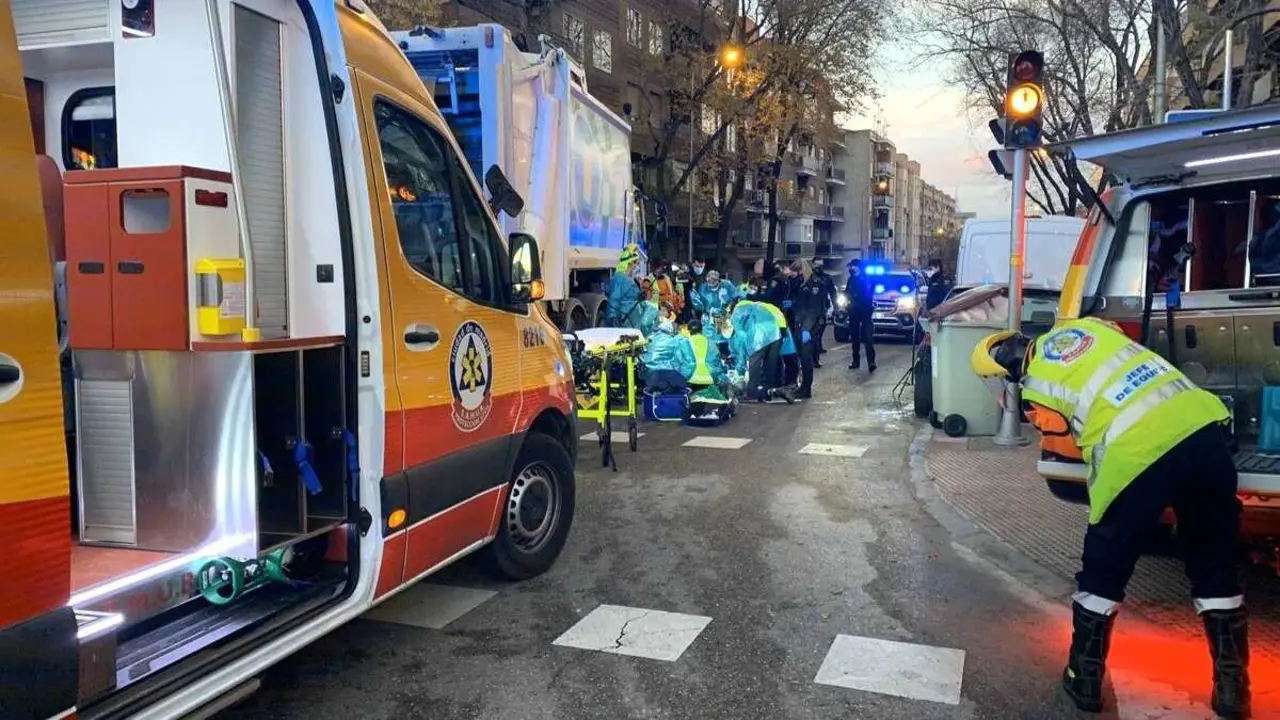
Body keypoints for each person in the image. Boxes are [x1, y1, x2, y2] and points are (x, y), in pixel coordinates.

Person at [972, 318, 1248, 719]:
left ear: (1009, 372)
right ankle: (1233, 688)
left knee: (1104, 567)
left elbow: (1062, 443)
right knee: (1214, 562)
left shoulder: (1037, 385)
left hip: (1138, 455)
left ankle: (1083, 678)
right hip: (1204, 430)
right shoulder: (1084, 330)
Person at [727, 300, 795, 404]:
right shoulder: (762, 305)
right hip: (777, 332)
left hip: (759, 333)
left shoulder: (738, 308)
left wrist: (740, 368)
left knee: (755, 361)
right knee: (770, 363)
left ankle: (751, 392)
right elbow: (779, 314)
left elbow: (740, 335)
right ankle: (771, 388)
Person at [791, 259, 825, 399]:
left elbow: (814, 310)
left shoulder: (815, 284)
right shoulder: (802, 283)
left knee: (806, 359)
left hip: (810, 327)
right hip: (801, 324)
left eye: (797, 272)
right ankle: (803, 387)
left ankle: (806, 389)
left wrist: (806, 329)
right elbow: (799, 303)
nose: (796, 275)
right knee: (802, 358)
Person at [640, 317, 696, 392]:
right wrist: (681, 377)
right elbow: (690, 362)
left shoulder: (648, 339)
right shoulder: (677, 340)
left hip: (649, 377)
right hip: (669, 378)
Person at [844, 262, 876, 372]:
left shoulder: (866, 279)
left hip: (865, 312)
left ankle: (871, 362)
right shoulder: (851, 280)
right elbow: (847, 293)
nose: (851, 269)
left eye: (853, 267)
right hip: (853, 313)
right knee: (855, 338)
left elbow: (869, 293)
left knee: (868, 338)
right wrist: (847, 304)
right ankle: (855, 361)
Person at [692, 269, 739, 335]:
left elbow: (736, 298)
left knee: (726, 333)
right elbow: (700, 304)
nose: (711, 285)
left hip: (726, 315)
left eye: (713, 283)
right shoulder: (703, 288)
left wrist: (728, 305)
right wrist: (704, 312)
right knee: (711, 333)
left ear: (718, 280)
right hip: (711, 316)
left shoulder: (726, 285)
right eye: (709, 283)